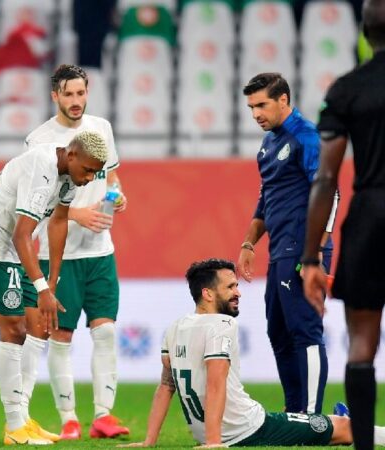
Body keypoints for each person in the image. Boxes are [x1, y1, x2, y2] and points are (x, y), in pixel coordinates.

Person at [123, 258, 385, 448]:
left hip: (214, 431)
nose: (238, 292)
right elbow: (216, 383)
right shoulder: (223, 324)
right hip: (248, 428)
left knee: (323, 422)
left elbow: (166, 387)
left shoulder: (175, 327)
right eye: (230, 287)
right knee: (344, 428)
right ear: (207, 293)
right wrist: (214, 443)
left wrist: (149, 441)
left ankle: (332, 419)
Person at [0, 130, 108, 445]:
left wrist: (52, 282)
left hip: (13, 251)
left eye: (96, 172)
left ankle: (22, 420)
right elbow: (21, 235)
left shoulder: (70, 176)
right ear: (71, 155)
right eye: (87, 170)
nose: (90, 178)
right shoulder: (41, 169)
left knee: (31, 329)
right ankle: (15, 426)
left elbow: (58, 221)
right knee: (14, 331)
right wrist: (41, 288)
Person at [22, 64, 128, 440]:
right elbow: (32, 201)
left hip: (100, 252)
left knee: (106, 333)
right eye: (68, 95)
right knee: (61, 338)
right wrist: (76, 213)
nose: (76, 101)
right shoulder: (39, 140)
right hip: (59, 255)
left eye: (81, 94)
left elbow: (111, 177)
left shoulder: (102, 129)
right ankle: (69, 417)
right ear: (55, 96)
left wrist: (117, 197)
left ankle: (104, 415)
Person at [302, 1, 385, 448]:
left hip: (370, 216)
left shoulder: (347, 88)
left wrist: (310, 257)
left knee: (362, 346)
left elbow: (326, 178)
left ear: (364, 35)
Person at [236, 73, 337, 415]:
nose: (256, 114)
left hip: (304, 251)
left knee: (304, 330)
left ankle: (310, 415)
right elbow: (267, 199)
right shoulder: (268, 144)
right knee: (278, 332)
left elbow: (329, 193)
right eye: (251, 107)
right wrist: (249, 244)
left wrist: (318, 253)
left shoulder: (306, 137)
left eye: (262, 105)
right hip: (280, 250)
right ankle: (295, 410)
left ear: (283, 99)